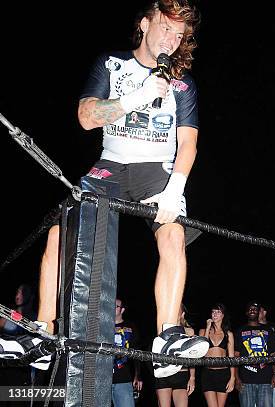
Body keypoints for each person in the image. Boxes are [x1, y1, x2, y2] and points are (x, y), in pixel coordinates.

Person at [0, 0, 210, 378]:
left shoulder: (183, 83)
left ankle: (168, 338)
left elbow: (189, 143)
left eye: (179, 36)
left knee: (174, 233)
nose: (171, 40)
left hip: (156, 168)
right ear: (145, 24)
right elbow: (85, 118)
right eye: (165, 28)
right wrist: (136, 98)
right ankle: (43, 335)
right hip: (111, 163)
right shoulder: (112, 64)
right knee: (59, 233)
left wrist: (175, 187)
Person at [235, 301, 275, 407]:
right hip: (245, 380)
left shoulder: (268, 330)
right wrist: (236, 378)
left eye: (255, 309)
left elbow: (273, 354)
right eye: (250, 309)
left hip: (265, 380)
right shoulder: (240, 331)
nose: (252, 310)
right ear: (246, 313)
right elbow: (236, 356)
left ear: (259, 312)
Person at [155, 303, 196, 407]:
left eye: (176, 310)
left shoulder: (189, 331)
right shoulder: (162, 328)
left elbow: (192, 355)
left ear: (182, 314)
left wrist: (192, 377)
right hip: (164, 373)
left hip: (181, 374)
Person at [199, 303, 235, 407]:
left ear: (223, 315)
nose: (215, 314)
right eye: (213, 312)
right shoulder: (202, 331)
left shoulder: (228, 334)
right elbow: (202, 351)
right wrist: (208, 327)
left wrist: (232, 378)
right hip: (207, 373)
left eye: (218, 312)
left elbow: (232, 358)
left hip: (223, 374)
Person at [112, 298, 142, 407]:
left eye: (115, 306)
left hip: (123, 378)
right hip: (102, 378)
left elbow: (137, 351)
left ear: (122, 310)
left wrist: (138, 376)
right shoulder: (102, 327)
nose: (112, 308)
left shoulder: (130, 327)